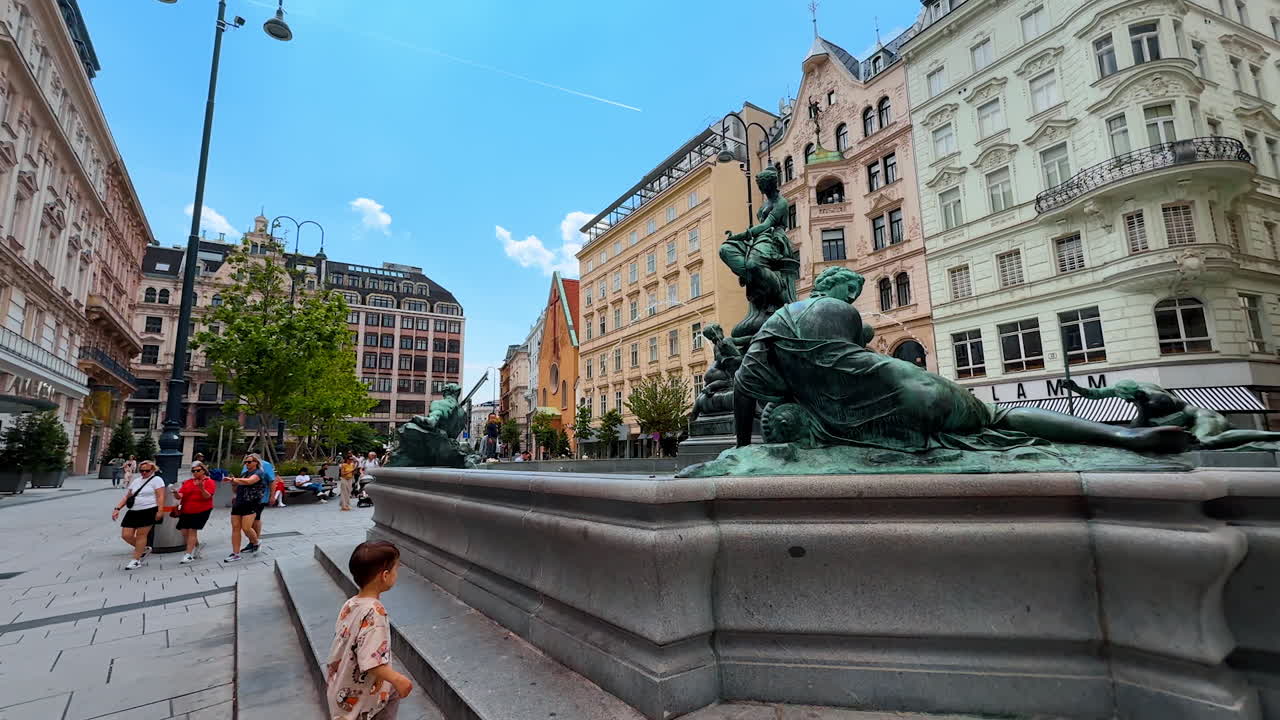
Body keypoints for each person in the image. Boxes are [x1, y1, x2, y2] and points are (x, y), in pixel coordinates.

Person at [736, 267, 1188, 455]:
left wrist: (743, 443)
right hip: (912, 390)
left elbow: (746, 382)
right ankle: (1120, 435)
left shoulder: (777, 322)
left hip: (857, 420)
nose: (854, 297)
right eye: (852, 290)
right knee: (1002, 417)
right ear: (840, 290)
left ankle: (1125, 436)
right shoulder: (845, 314)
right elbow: (860, 342)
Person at [325, 541, 412, 719]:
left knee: (391, 692)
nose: (397, 573)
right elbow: (370, 660)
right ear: (385, 576)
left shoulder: (350, 603)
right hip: (364, 700)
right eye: (396, 569)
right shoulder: (375, 614)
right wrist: (398, 679)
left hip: (342, 686)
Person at [111, 460, 165, 570]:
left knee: (141, 535)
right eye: (141, 470)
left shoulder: (157, 480)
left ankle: (136, 560)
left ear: (153, 470)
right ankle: (143, 549)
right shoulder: (136, 481)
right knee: (126, 535)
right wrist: (117, 508)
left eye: (147, 471)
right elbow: (127, 497)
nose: (144, 473)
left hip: (149, 510)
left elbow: (160, 496)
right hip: (133, 511)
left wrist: (160, 511)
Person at [226, 454, 267, 562]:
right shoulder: (244, 474)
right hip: (239, 502)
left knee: (246, 528)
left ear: (256, 463)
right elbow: (237, 490)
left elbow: (250, 481)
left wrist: (234, 479)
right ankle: (235, 553)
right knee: (235, 527)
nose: (247, 464)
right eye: (245, 462)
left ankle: (256, 542)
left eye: (249, 462)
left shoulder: (259, 473)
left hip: (251, 503)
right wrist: (233, 484)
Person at [174, 461, 215, 563]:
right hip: (186, 509)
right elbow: (181, 495)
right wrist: (175, 493)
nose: (195, 472)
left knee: (192, 530)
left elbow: (207, 496)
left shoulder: (209, 482)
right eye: (193, 471)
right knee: (184, 531)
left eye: (198, 470)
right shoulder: (188, 482)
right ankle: (197, 546)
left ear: (204, 471)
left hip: (201, 509)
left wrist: (201, 488)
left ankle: (188, 554)